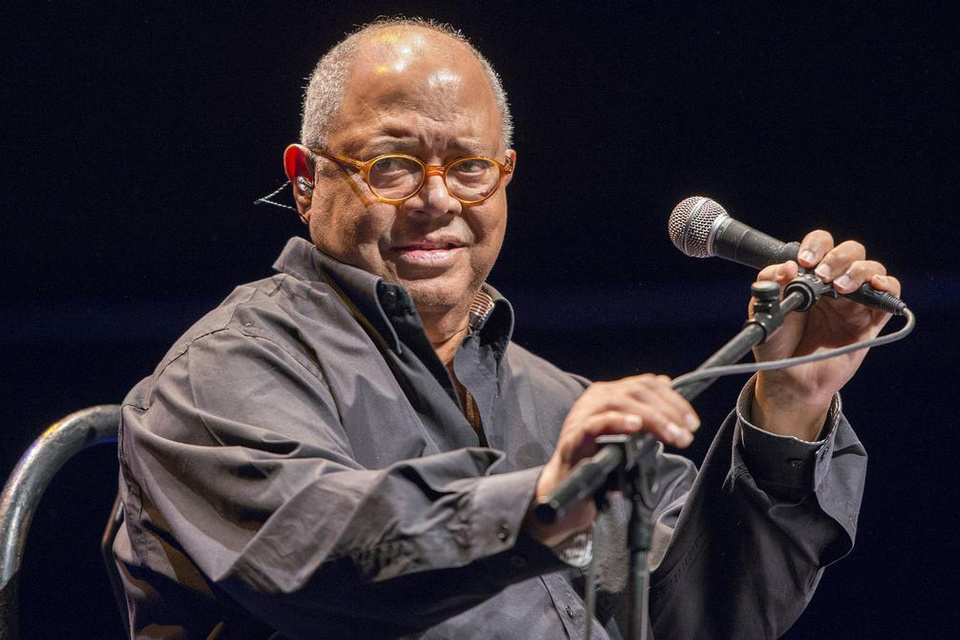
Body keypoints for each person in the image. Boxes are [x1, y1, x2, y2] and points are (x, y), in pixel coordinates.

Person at [113, 18, 902, 640]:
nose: (437, 200)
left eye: (469, 167)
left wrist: (789, 406)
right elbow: (322, 550)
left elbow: (695, 620)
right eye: (392, 164)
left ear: (505, 178)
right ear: (306, 180)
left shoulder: (557, 400)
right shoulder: (226, 371)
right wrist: (542, 501)